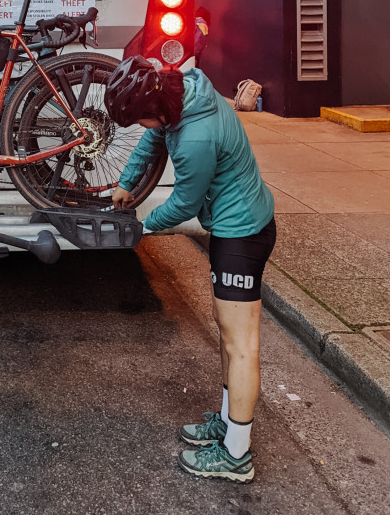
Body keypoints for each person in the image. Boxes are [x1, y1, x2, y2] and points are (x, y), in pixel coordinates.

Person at [106, 57, 275, 483]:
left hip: (243, 234)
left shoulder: (197, 136)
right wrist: (126, 181)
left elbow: (183, 203)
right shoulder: (181, 90)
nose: (143, 128)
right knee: (227, 332)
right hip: (233, 227)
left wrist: (144, 228)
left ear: (156, 108)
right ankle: (227, 421)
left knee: (241, 343)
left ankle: (236, 454)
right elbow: (152, 140)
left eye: (140, 119)